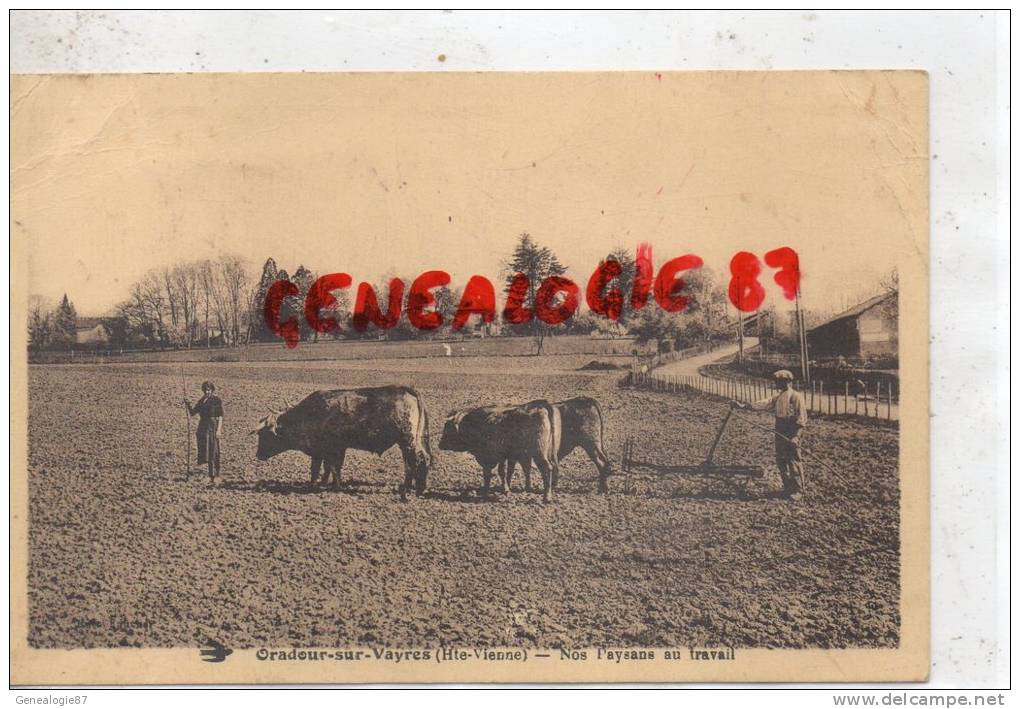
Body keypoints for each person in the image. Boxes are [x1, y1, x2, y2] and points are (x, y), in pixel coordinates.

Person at [735, 369, 807, 499]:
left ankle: (798, 490)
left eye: (778, 381)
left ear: (786, 382)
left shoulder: (796, 397)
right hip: (780, 429)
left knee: (793, 459)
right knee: (781, 459)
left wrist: (796, 436)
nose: (775, 384)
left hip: (792, 429)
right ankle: (787, 487)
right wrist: (743, 406)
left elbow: (801, 419)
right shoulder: (778, 397)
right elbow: (763, 404)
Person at [184, 380, 224, 482]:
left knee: (214, 450)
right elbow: (193, 413)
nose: (207, 392)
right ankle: (210, 475)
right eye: (205, 390)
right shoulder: (201, 401)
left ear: (212, 390)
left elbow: (220, 416)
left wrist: (218, 430)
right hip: (203, 428)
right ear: (203, 390)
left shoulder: (216, 400)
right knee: (206, 451)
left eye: (209, 390)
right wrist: (188, 403)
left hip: (212, 427)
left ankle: (216, 475)